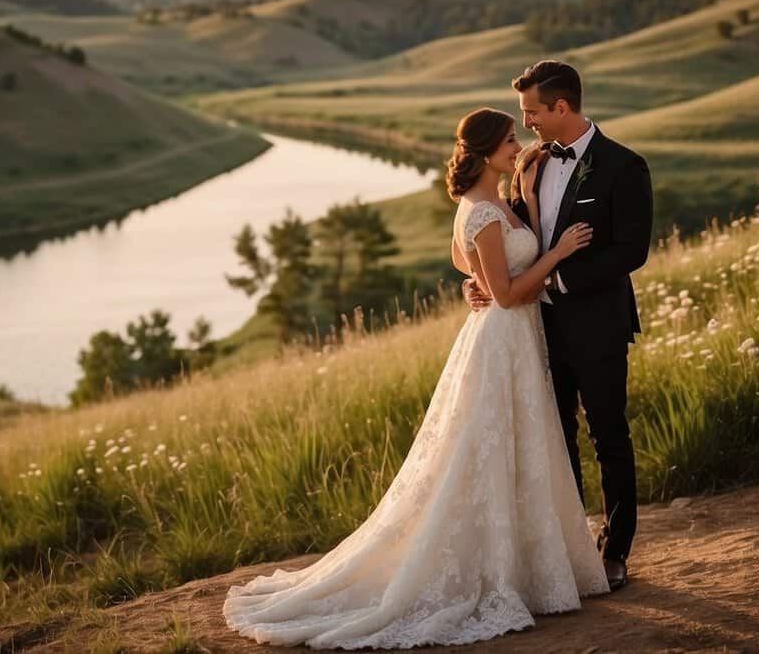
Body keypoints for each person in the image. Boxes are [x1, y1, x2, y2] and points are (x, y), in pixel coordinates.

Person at [223, 107, 609, 648]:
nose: (516, 143)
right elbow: (505, 294)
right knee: (487, 453)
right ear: (482, 151)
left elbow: (463, 261)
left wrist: (472, 277)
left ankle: (528, 567)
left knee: (514, 450)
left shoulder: (490, 201)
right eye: (507, 139)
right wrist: (558, 255)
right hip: (502, 338)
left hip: (512, 341)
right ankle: (493, 573)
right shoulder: (480, 210)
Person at [468, 60, 653, 592]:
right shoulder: (530, 163)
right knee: (556, 439)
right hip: (535, 326)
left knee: (608, 433)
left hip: (597, 323)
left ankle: (615, 550)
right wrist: (480, 278)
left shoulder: (623, 166)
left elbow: (630, 251)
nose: (527, 124)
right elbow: (506, 231)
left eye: (532, 113)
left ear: (561, 107)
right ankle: (571, 550)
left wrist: (562, 284)